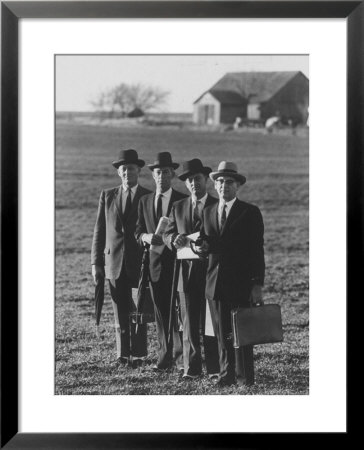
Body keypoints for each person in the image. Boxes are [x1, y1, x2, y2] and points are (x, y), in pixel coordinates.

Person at [196, 161, 265, 386]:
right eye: (220, 181)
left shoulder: (249, 212)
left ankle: (245, 377)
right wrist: (200, 247)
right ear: (215, 185)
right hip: (214, 283)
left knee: (241, 331)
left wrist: (256, 284)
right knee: (222, 333)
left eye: (229, 182)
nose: (224, 185)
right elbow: (206, 240)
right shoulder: (208, 211)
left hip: (241, 283)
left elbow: (256, 250)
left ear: (238, 186)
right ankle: (226, 374)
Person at [91, 149, 151, 368]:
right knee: (119, 310)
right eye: (123, 169)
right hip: (113, 262)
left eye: (131, 168)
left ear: (139, 171)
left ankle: (139, 353)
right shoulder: (107, 196)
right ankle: (122, 354)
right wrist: (96, 263)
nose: (127, 172)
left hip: (140, 264)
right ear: (119, 172)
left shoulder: (147, 196)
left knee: (138, 309)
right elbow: (99, 231)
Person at [164, 159, 220, 380]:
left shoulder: (217, 205)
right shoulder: (178, 207)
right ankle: (192, 369)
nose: (193, 183)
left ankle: (215, 368)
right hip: (185, 275)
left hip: (211, 273)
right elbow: (167, 233)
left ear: (206, 180)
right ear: (185, 185)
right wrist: (173, 238)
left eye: (197, 178)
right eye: (189, 180)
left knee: (210, 324)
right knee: (188, 324)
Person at [135, 152, 187, 372]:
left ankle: (183, 358)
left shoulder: (182, 199)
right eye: (158, 172)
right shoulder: (145, 200)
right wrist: (146, 237)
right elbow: (137, 232)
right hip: (155, 265)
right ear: (152, 175)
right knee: (161, 314)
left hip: (179, 264)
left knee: (182, 313)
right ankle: (164, 358)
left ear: (173, 174)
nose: (161, 176)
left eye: (166, 172)